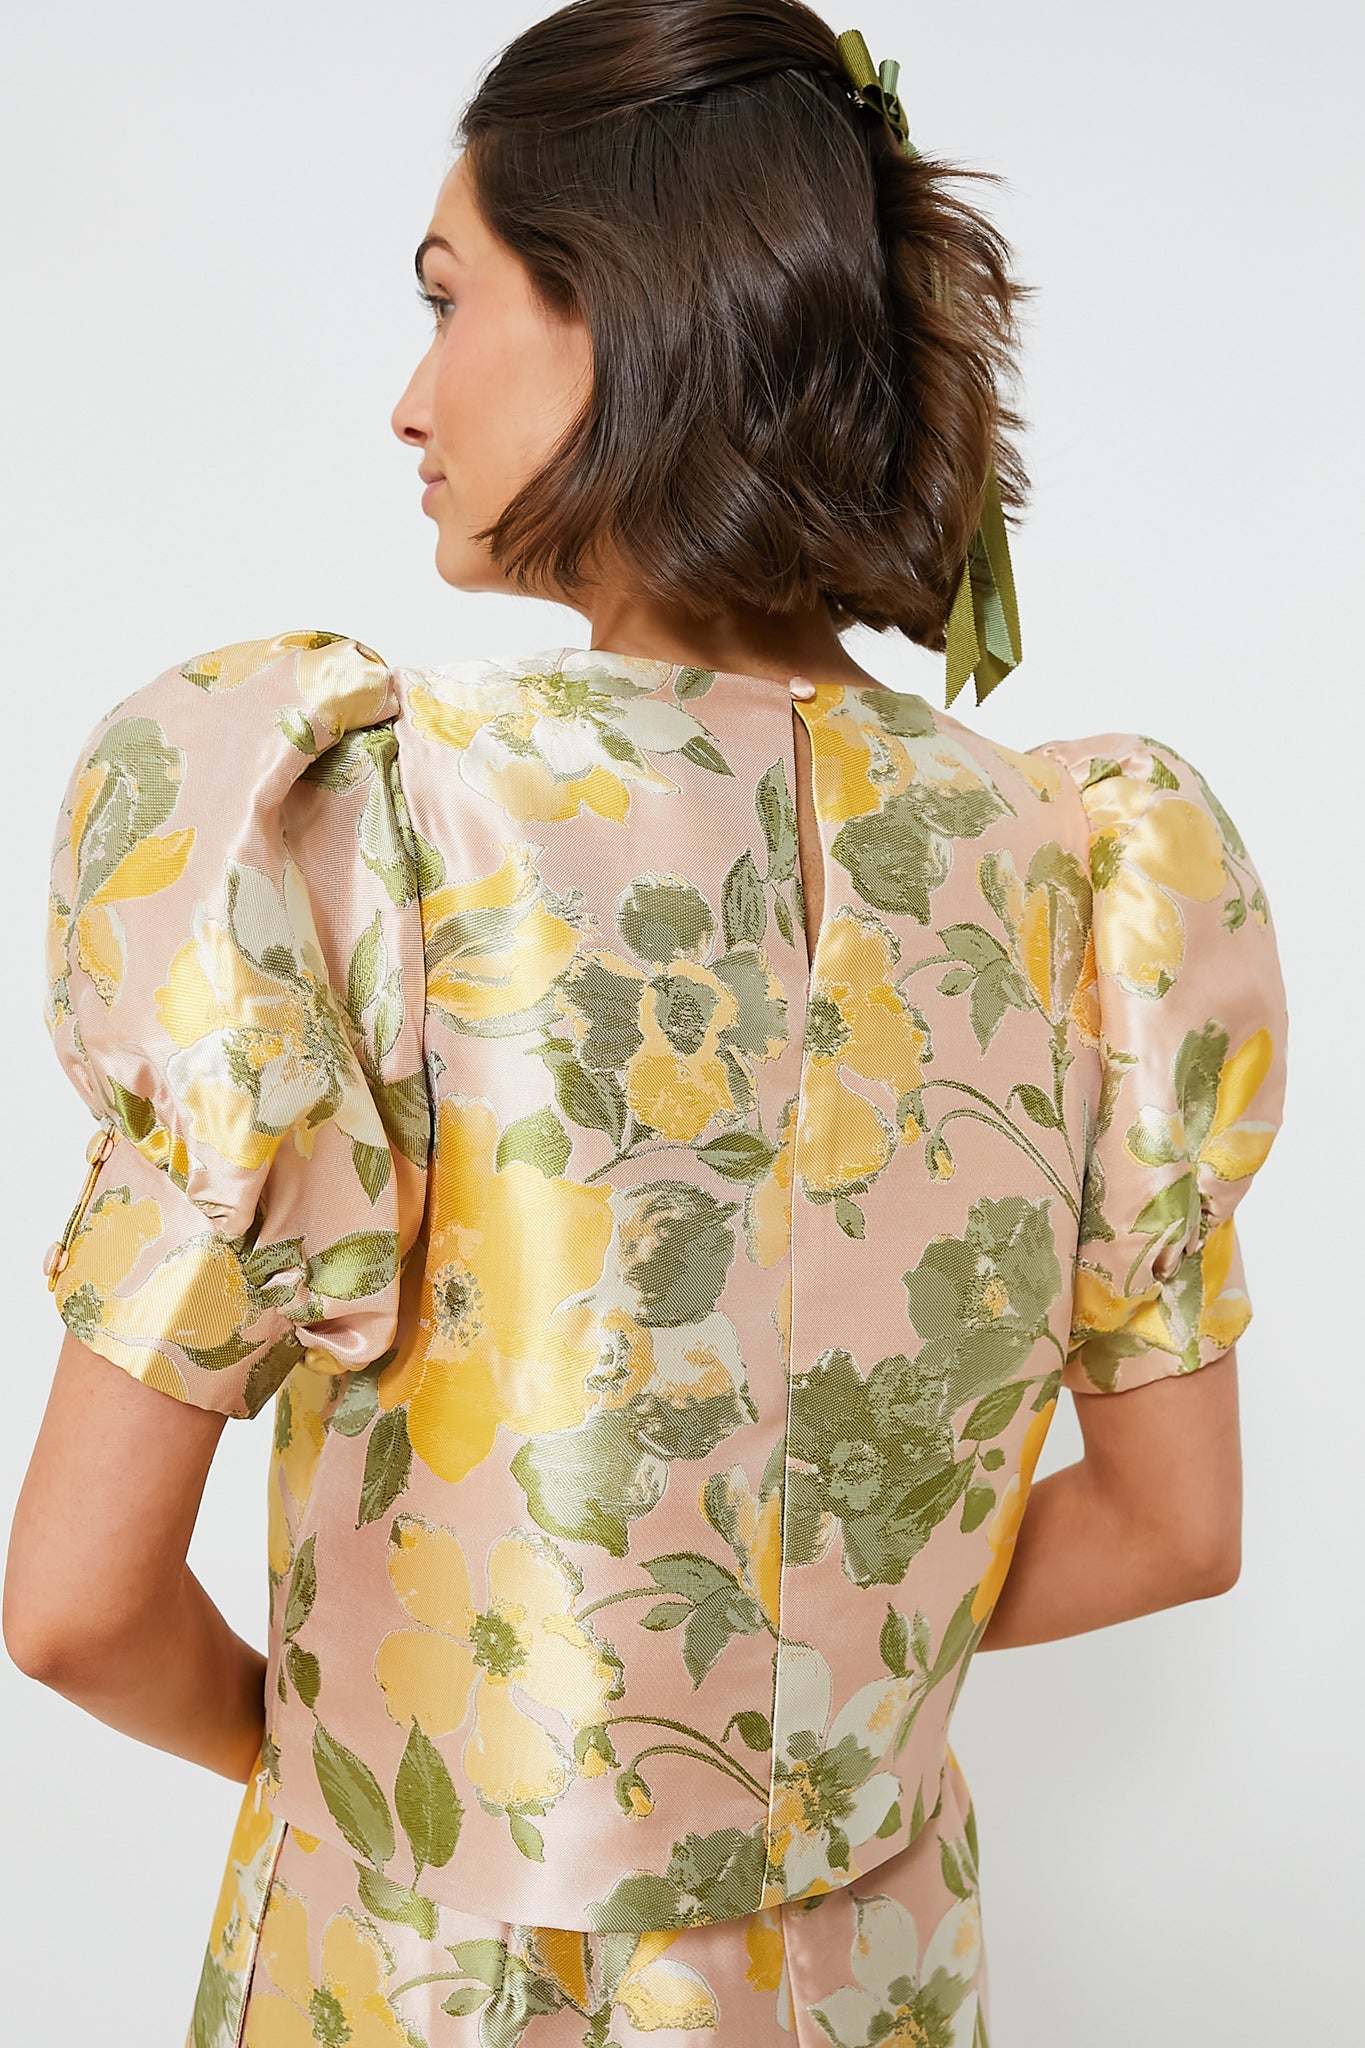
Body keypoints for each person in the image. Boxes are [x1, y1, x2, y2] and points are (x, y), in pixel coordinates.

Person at [4, 4, 1288, 2044]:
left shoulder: (368, 820)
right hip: (867, 1981)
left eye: (448, 298)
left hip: (429, 1975)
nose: (408, 398)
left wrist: (397, 1774)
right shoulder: (1081, 869)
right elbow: (1169, 1525)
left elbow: (74, 1608)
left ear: (615, 312)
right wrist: (817, 1707)